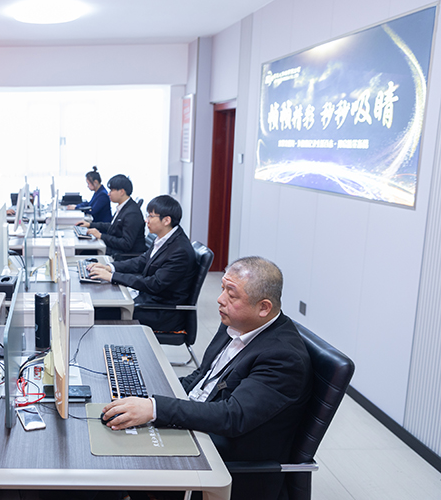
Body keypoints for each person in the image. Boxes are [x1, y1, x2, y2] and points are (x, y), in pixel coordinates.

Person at [101, 257, 313, 500]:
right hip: (202, 425)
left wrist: (156, 408)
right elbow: (202, 377)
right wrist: (147, 393)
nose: (220, 299)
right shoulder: (236, 323)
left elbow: (232, 417)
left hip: (223, 456)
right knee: (109, 434)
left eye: (231, 294)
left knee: (113, 457)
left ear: (264, 307)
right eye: (222, 288)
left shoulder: (284, 357)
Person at [87, 195, 197, 329]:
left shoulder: (180, 251)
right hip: (147, 299)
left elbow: (154, 284)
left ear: (166, 220)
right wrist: (110, 267)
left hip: (158, 311)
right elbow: (142, 261)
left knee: (95, 312)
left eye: (151, 216)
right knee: (99, 302)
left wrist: (112, 277)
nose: (146, 220)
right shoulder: (166, 237)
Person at [77, 174, 146, 256]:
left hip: (123, 256)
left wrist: (101, 236)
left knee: (84, 253)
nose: (108, 194)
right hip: (116, 250)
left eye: (111, 191)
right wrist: (90, 225)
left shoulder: (132, 213)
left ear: (121, 192)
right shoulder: (123, 207)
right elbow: (113, 226)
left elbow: (126, 244)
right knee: (84, 250)